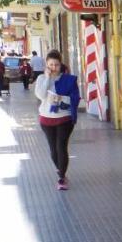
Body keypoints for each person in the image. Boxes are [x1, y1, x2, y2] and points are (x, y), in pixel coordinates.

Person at [34, 49, 80, 190]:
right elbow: (41, 96)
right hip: (46, 119)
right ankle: (61, 171)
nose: (54, 67)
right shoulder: (41, 79)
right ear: (46, 65)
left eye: (56, 65)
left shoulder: (68, 79)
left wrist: (63, 99)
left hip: (64, 118)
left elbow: (75, 97)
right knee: (53, 149)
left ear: (61, 65)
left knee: (61, 146)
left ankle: (61, 178)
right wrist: (48, 78)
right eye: (51, 65)